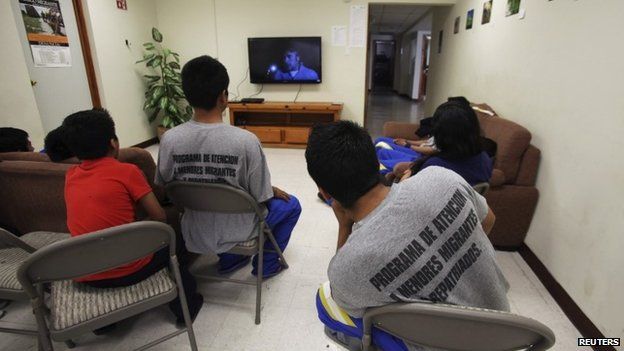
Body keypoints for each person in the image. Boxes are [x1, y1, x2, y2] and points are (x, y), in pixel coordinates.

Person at [305, 121, 509, 351]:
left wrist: (344, 226)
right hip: (503, 332)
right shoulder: (442, 177)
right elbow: (489, 219)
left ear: (324, 192)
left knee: (326, 300)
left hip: (436, 344)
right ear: (375, 160)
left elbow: (344, 301)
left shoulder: (347, 267)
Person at [52, 109, 203, 325]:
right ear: (113, 142)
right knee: (173, 241)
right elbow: (159, 216)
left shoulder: (70, 175)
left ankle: (104, 324)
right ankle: (186, 308)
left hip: (85, 273)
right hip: (128, 270)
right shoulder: (127, 172)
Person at [156, 55, 301, 278]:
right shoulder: (246, 141)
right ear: (223, 97)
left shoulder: (169, 140)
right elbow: (260, 196)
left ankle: (231, 260)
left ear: (187, 95)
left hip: (194, 230)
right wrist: (271, 190)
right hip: (241, 230)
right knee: (291, 205)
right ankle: (266, 266)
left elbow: (166, 188)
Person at [393, 101, 494, 185]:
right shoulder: (484, 159)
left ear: (440, 134)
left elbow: (405, 194)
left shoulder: (434, 166)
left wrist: (406, 177)